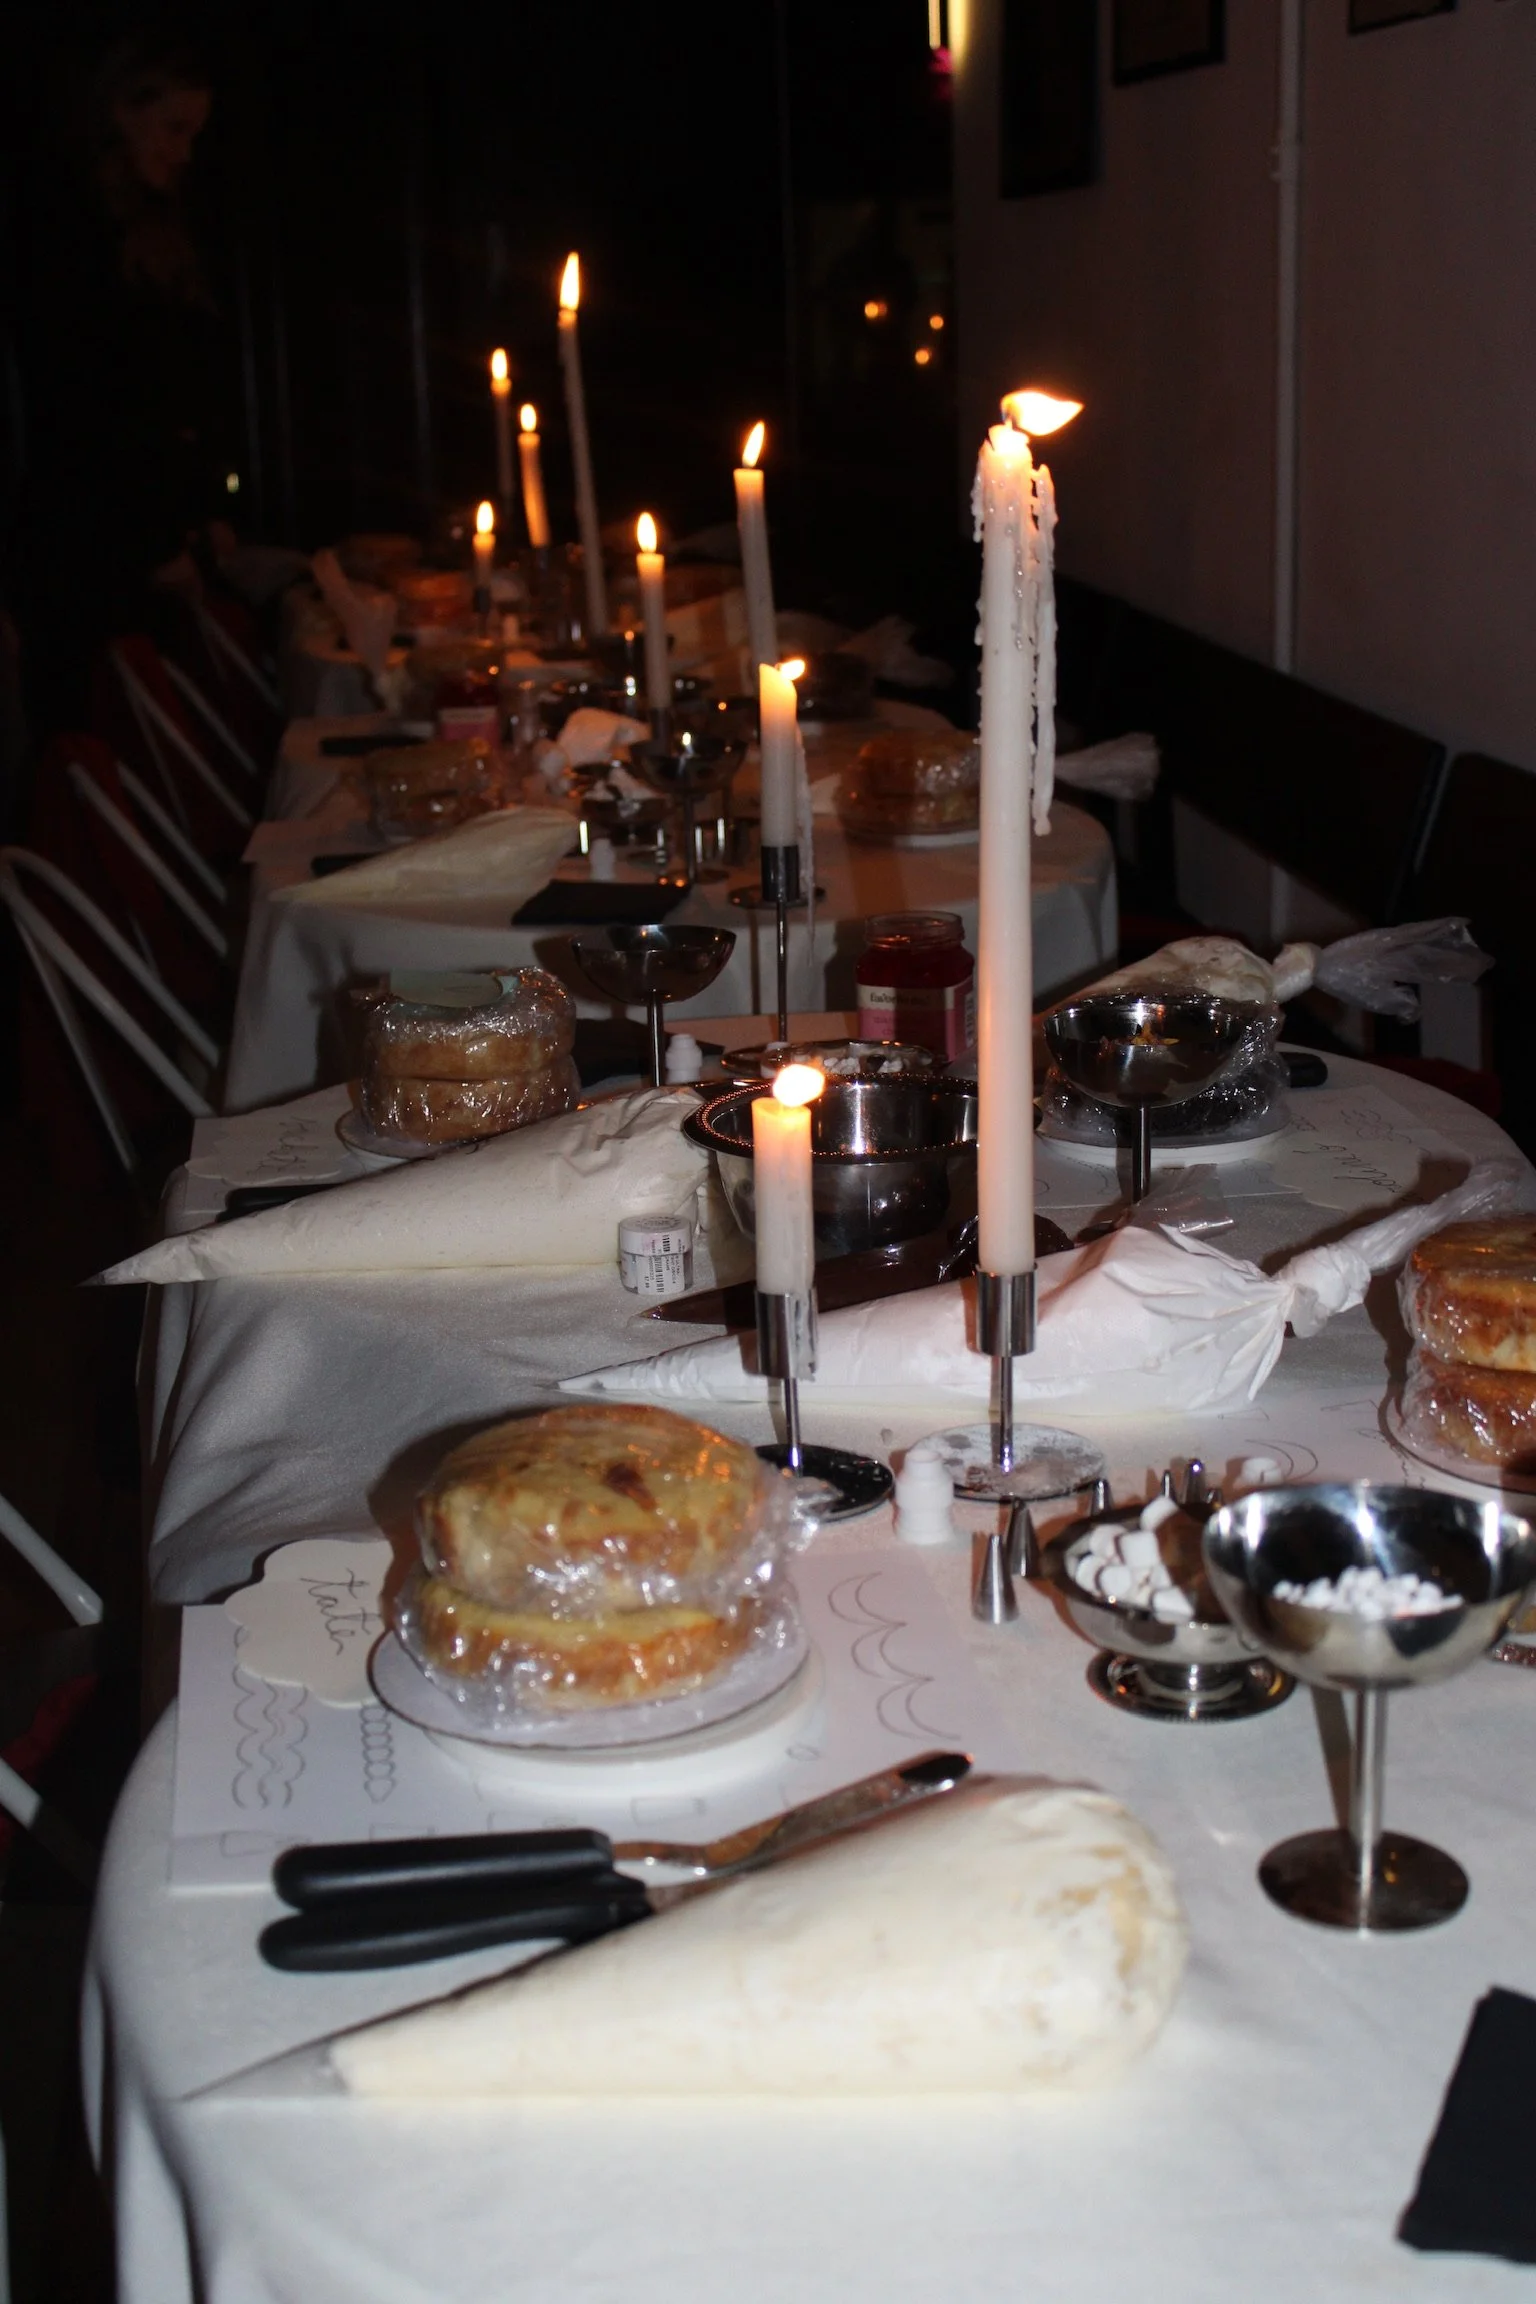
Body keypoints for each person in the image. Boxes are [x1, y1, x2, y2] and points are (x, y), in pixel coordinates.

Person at [11, 21, 239, 737]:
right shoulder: (69, 234)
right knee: (107, 733)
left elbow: (177, 395)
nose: (182, 153)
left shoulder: (154, 227)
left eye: (193, 134)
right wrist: (151, 542)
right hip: (94, 551)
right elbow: (84, 408)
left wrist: (200, 513)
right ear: (120, 110)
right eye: (171, 128)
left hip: (146, 534)